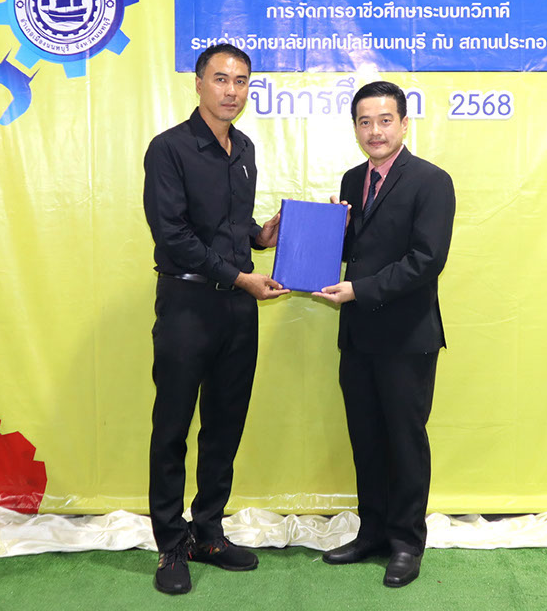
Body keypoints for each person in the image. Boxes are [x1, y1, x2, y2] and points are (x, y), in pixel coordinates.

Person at [143, 44, 289, 595]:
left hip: (237, 308)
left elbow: (230, 224)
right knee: (172, 428)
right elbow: (173, 234)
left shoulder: (244, 148)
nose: (232, 90)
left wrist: (260, 236)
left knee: (225, 424)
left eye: (242, 81)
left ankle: (208, 532)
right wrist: (240, 276)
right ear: (199, 83)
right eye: (221, 79)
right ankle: (170, 544)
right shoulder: (169, 149)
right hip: (187, 304)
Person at [313, 80, 455, 588]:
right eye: (365, 121)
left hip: (406, 338)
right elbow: (359, 249)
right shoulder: (353, 179)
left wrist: (359, 290)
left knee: (404, 442)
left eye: (385, 120)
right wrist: (333, 230)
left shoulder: (432, 181)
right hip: (358, 336)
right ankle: (371, 532)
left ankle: (406, 542)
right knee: (366, 439)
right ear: (355, 127)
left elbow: (426, 260)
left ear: (404, 123)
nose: (375, 131)